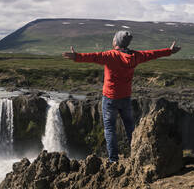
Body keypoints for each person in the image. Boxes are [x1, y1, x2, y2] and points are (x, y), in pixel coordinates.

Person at [62, 30, 181, 162]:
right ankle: (136, 154)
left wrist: (76, 57)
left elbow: (93, 56)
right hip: (125, 98)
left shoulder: (110, 55)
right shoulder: (135, 56)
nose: (112, 41)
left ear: (117, 42)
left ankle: (113, 160)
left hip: (110, 99)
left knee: (109, 129)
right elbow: (152, 54)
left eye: (114, 39)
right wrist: (169, 51)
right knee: (130, 127)